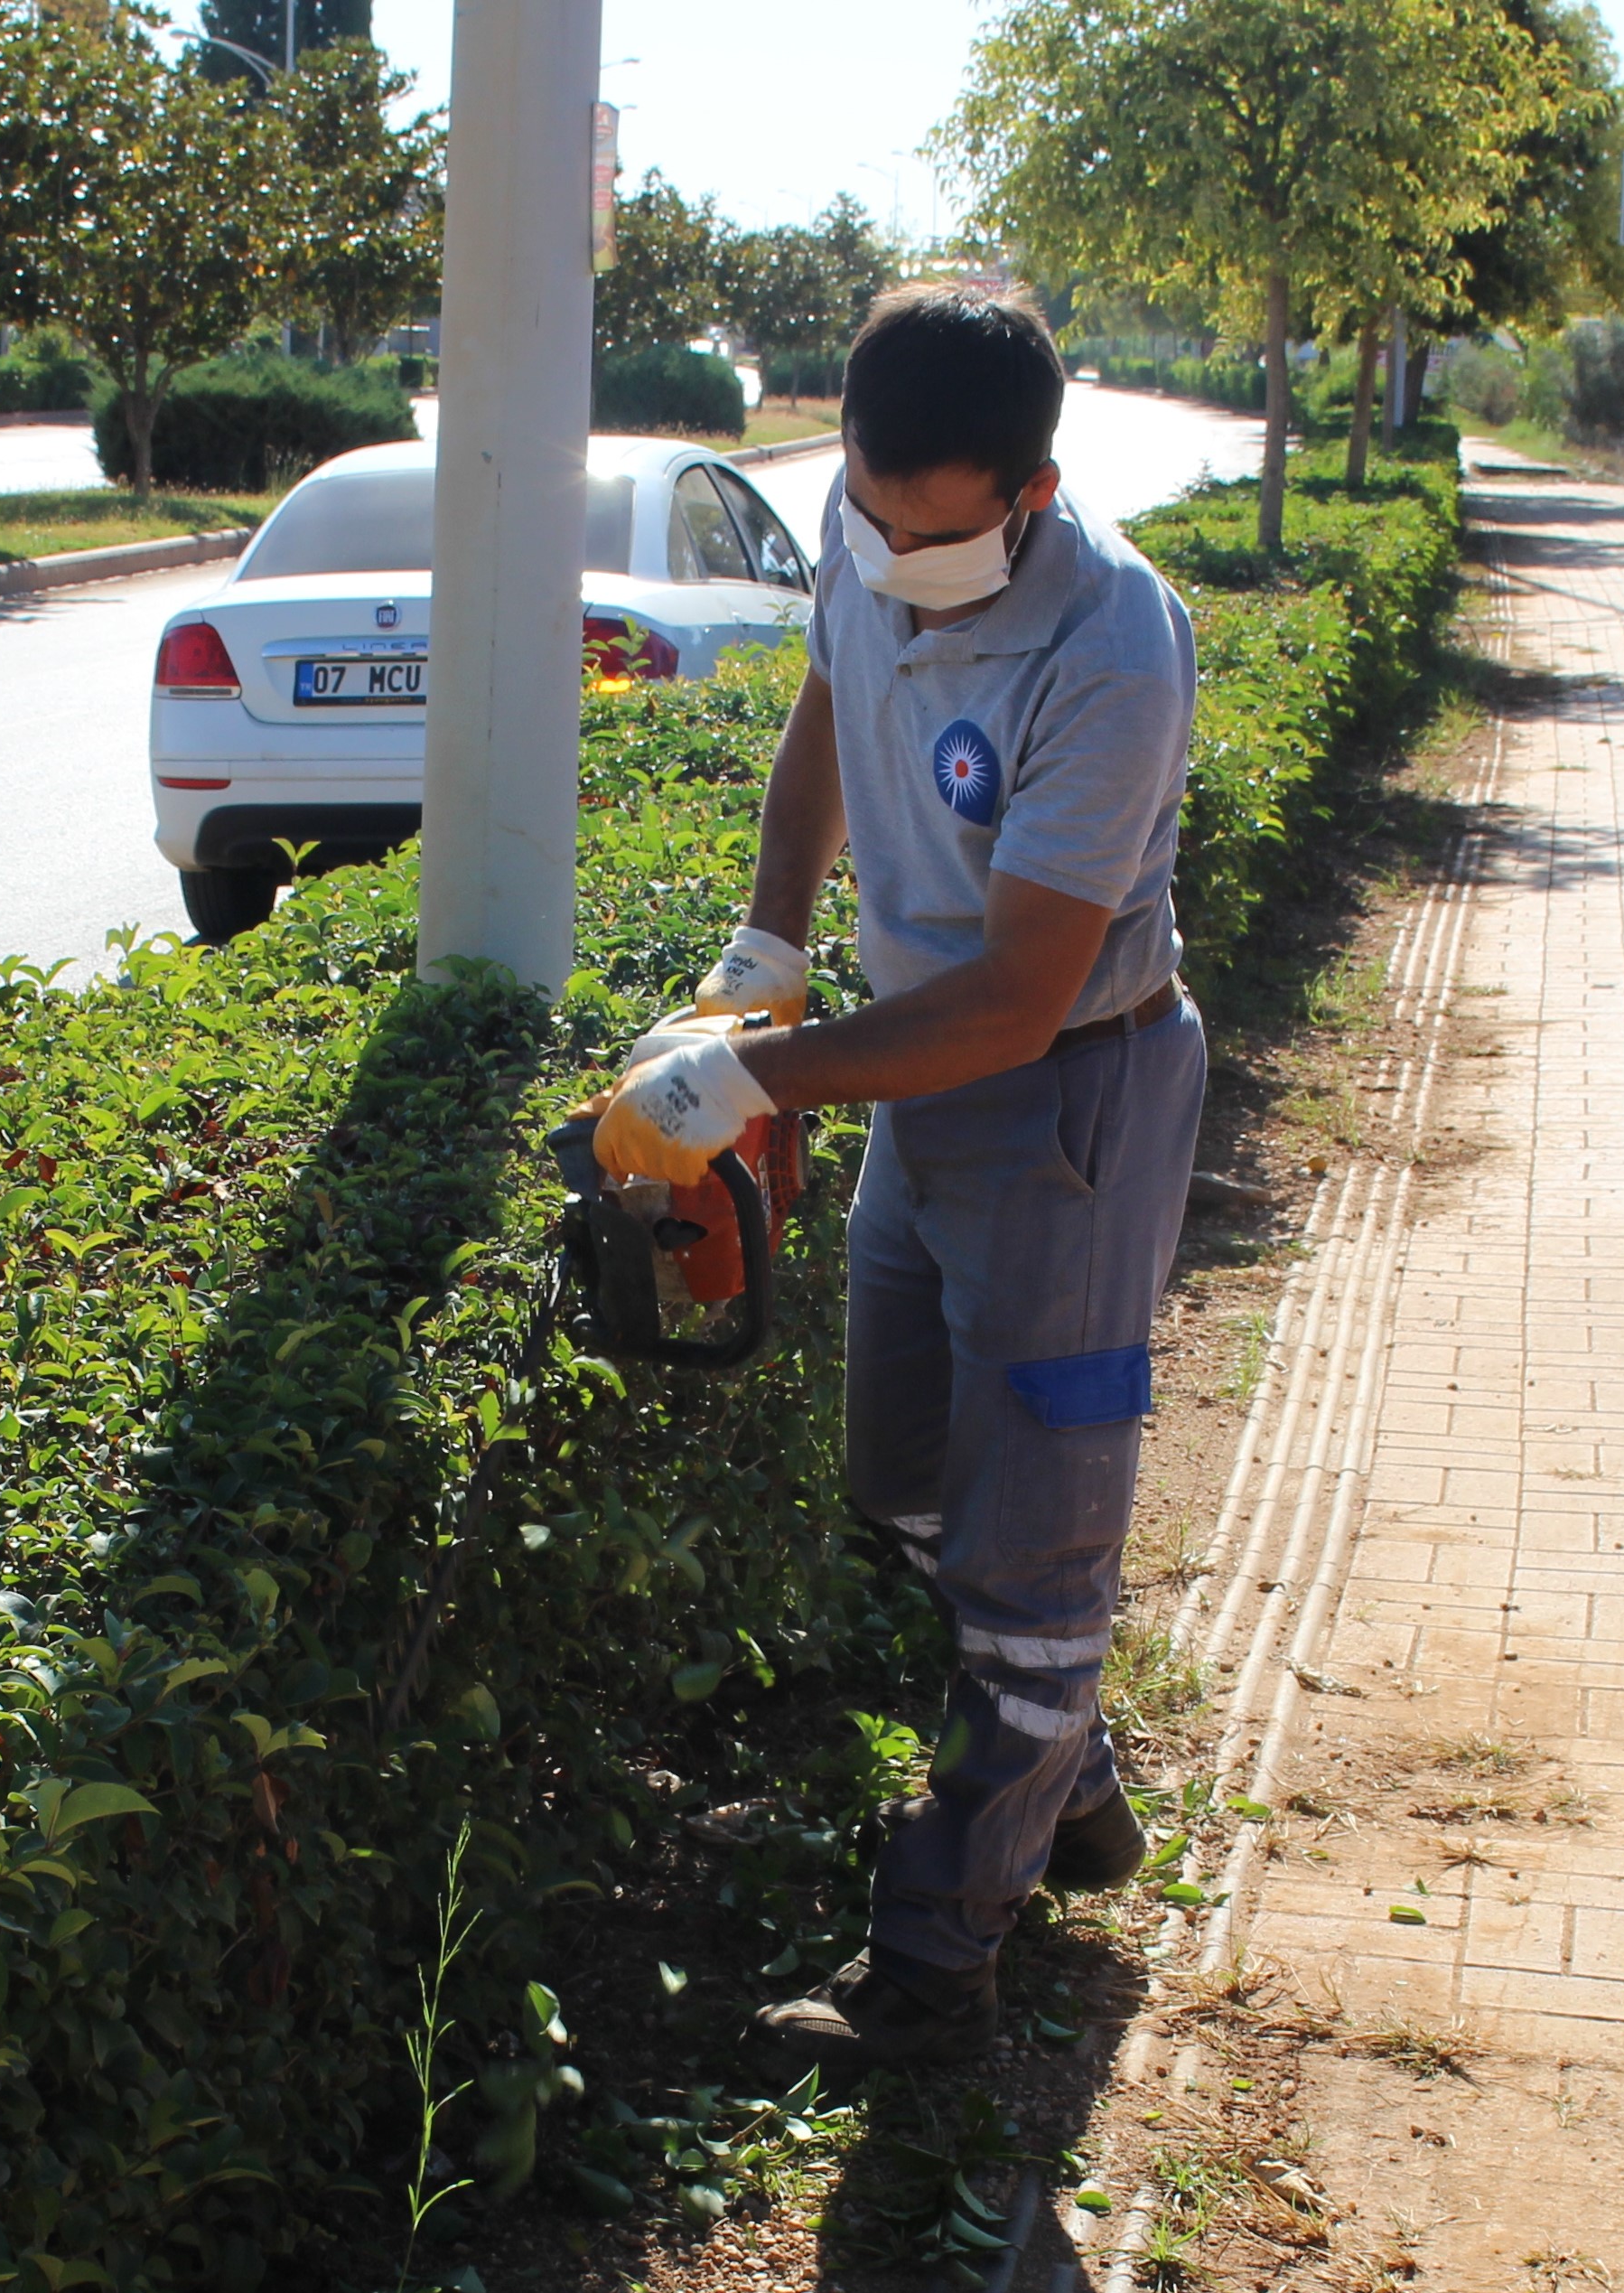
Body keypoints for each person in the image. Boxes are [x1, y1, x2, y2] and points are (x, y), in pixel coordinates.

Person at [593, 286, 1206, 2068]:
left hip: (1063, 1101)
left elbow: (1017, 999)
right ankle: (1063, 1780)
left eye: (940, 535)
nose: (895, 558)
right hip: (915, 1083)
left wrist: (752, 1077)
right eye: (873, 516)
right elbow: (822, 712)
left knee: (1030, 1558)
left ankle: (936, 1960)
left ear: (1030, 490)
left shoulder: (1111, 645)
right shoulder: (864, 539)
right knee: (904, 1482)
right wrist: (765, 940)